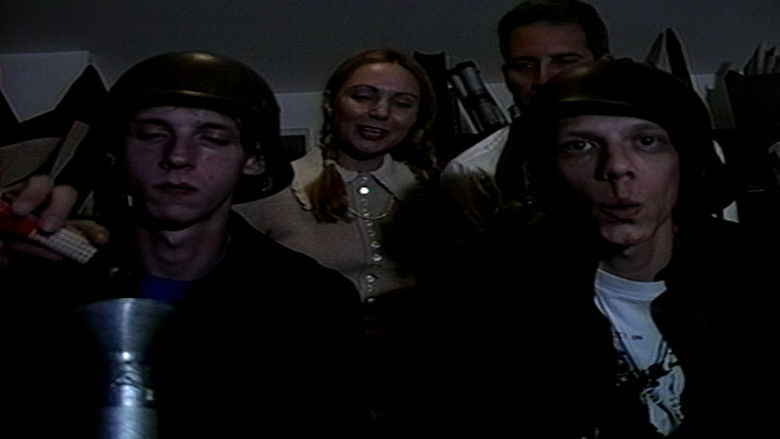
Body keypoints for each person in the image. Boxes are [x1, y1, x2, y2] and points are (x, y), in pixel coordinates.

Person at [6, 51, 364, 437]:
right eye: (152, 134)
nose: (177, 157)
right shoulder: (44, 278)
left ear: (253, 160)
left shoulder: (312, 300)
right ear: (115, 151)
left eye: (212, 139)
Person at [427, 59, 775, 437]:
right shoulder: (494, 298)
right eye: (580, 146)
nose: (616, 167)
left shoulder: (753, 270)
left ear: (685, 162)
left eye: (646, 141)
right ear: (546, 170)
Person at [233, 47, 437, 430]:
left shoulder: (434, 194)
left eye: (402, 103)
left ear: (417, 118)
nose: (380, 112)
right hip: (303, 394)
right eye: (364, 96)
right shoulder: (273, 190)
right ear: (331, 104)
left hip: (413, 394)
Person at [438, 0, 610, 242]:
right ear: (507, 75)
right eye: (524, 66)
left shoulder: (651, 150)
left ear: (602, 67)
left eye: (564, 62)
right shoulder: (473, 172)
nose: (543, 79)